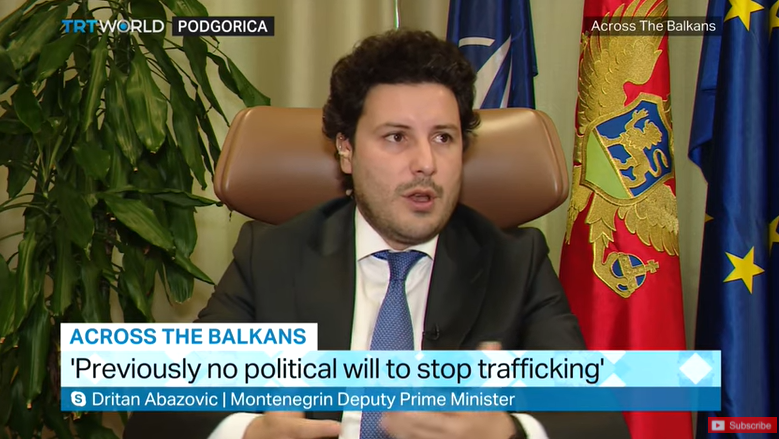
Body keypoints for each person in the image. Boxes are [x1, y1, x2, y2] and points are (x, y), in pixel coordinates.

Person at [123, 29, 630, 439]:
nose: (425, 162)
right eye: (396, 137)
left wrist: (510, 431)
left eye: (444, 137)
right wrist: (250, 432)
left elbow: (598, 423)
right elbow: (161, 415)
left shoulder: (514, 264)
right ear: (346, 150)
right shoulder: (273, 257)